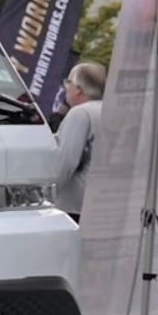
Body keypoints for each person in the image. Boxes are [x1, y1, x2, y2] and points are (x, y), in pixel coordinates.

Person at [55, 60, 105, 221]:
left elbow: (67, 160)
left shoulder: (80, 114)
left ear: (78, 89)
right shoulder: (110, 110)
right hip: (101, 202)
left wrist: (47, 194)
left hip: (74, 205)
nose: (66, 88)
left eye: (68, 82)